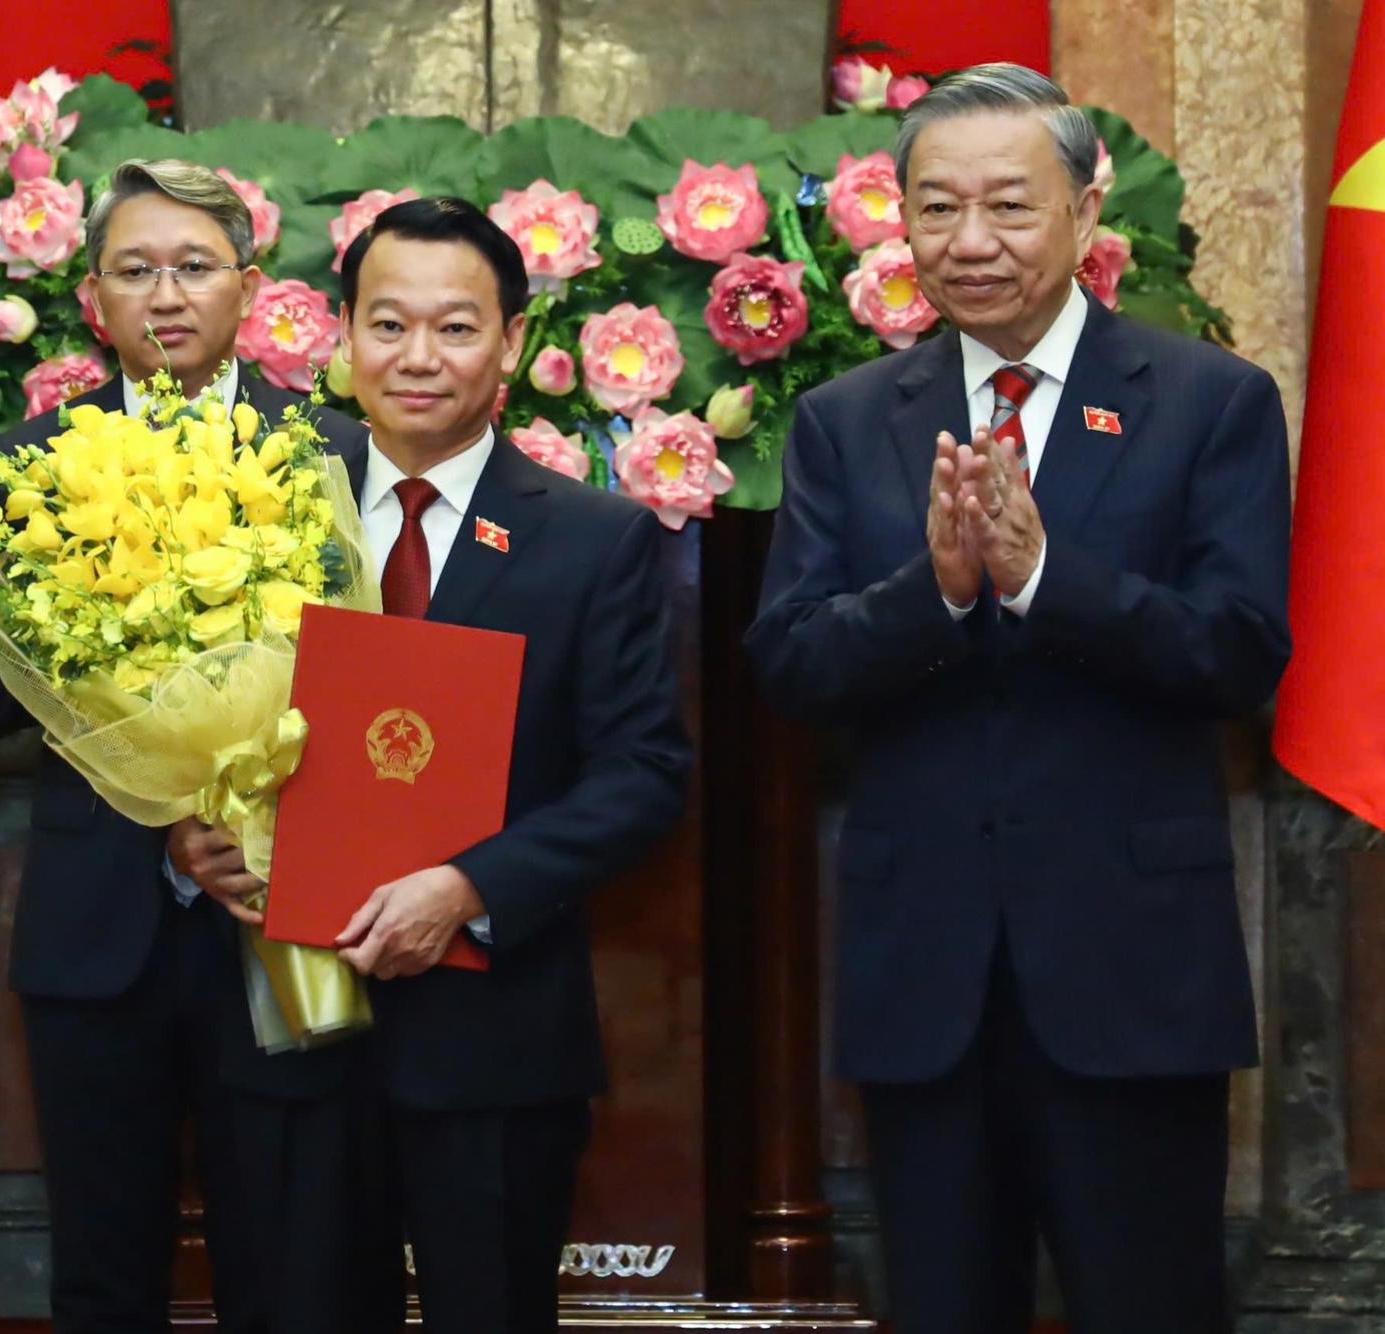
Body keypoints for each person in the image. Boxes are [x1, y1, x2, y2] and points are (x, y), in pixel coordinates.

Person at [746, 64, 1290, 1334]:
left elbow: (1239, 651)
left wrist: (1046, 579)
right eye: (935, 209)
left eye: (1007, 204)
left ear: (1086, 212)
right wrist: (928, 596)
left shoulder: (1208, 401)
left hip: (1129, 971)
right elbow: (787, 662)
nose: (969, 242)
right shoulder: (842, 421)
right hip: (921, 976)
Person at [0, 159, 396, 1334]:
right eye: (135, 270)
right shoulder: (28, 466)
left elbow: (375, 691)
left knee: (295, 1264)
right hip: (98, 923)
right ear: (92, 302)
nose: (166, 296)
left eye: (194, 267)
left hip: (284, 911)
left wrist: (258, 818)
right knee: (104, 1272)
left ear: (250, 289)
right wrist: (169, 819)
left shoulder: (335, 454)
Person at [319, 196, 691, 1333]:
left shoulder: (593, 538)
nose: (416, 358)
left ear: (513, 343)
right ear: (340, 335)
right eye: (386, 325)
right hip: (290, 1027)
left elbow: (643, 772)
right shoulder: (266, 508)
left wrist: (467, 887)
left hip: (493, 1032)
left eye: (454, 328)